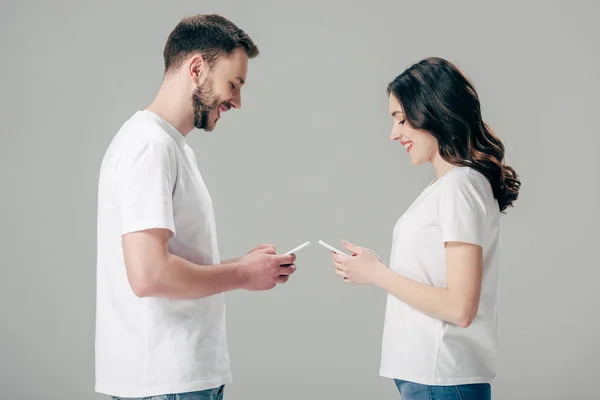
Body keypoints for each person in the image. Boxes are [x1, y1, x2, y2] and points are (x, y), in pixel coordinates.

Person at [95, 14, 297, 400]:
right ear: (197, 68)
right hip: (165, 384)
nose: (236, 101)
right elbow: (149, 275)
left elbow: (167, 262)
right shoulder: (149, 146)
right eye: (233, 84)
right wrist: (239, 275)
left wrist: (245, 267)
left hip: (175, 381)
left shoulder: (169, 147)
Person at [329, 57, 521, 400]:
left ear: (435, 112)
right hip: (433, 379)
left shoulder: (461, 186)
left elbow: (460, 307)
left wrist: (377, 274)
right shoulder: (448, 186)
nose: (393, 133)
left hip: (443, 380)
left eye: (402, 120)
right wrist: (377, 268)